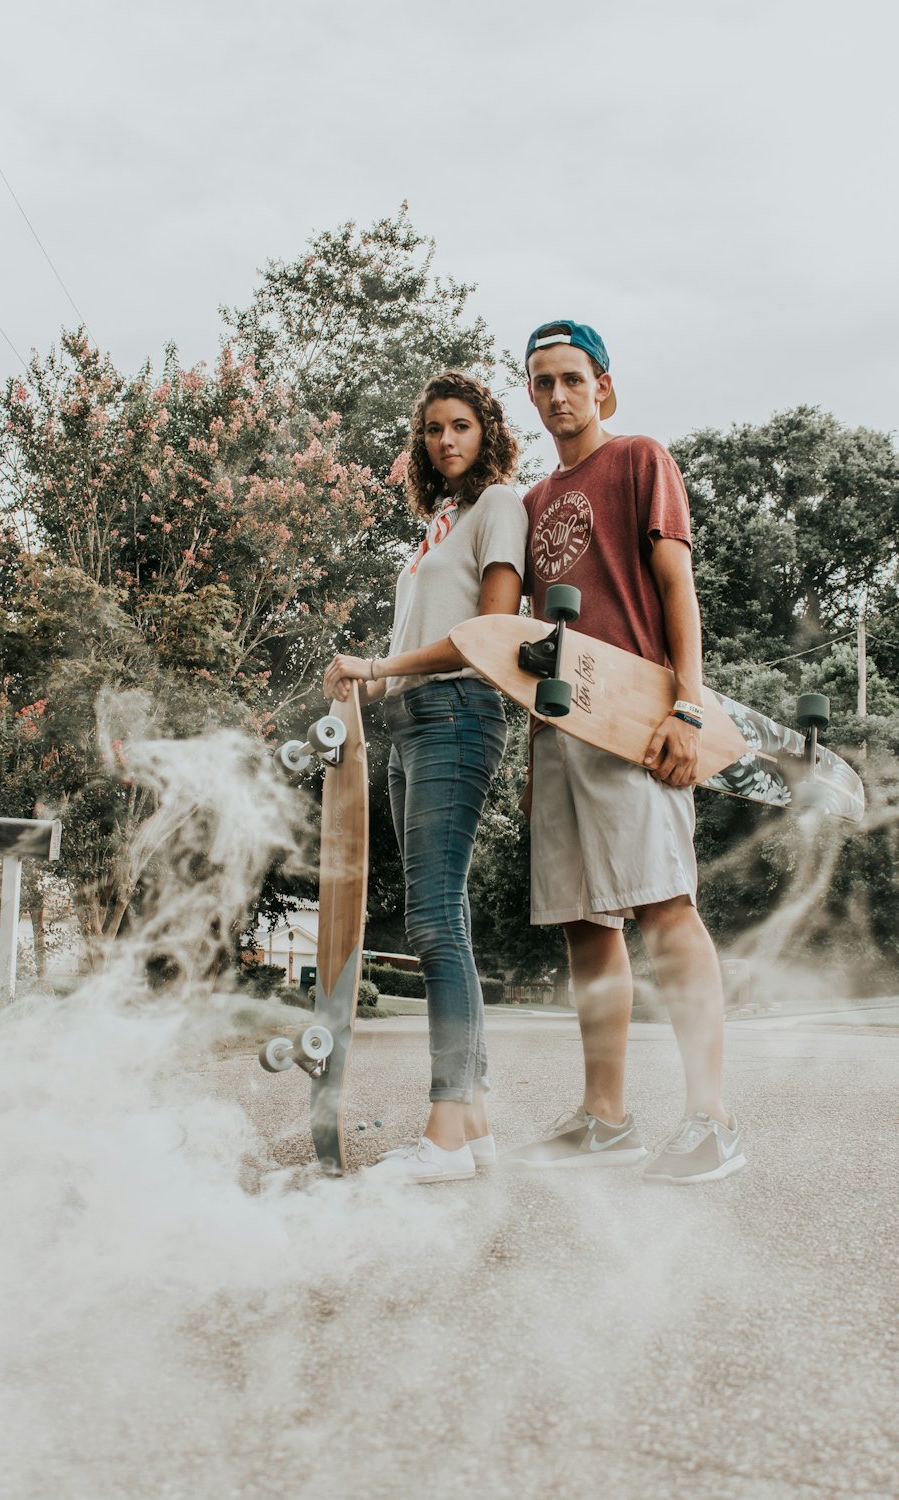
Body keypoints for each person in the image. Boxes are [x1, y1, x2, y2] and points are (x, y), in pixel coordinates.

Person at [506, 320, 745, 1183]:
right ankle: (606, 1118)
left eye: (573, 377)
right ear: (531, 396)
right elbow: (537, 642)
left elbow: (677, 588)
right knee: (583, 924)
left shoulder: (642, 460)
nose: (559, 394)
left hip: (639, 719)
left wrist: (689, 706)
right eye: (543, 382)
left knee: (663, 906)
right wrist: (537, 761)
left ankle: (712, 1120)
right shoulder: (531, 504)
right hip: (564, 731)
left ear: (603, 386)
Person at [324, 371, 526, 1184]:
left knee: (435, 924)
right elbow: (427, 625)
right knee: (447, 920)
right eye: (434, 429)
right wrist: (374, 683)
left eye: (462, 426)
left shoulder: (499, 506)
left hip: (456, 713)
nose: (446, 440)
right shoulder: (440, 524)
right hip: (410, 719)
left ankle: (442, 1133)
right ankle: (471, 1127)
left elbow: (492, 631)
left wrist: (379, 663)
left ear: (488, 433)